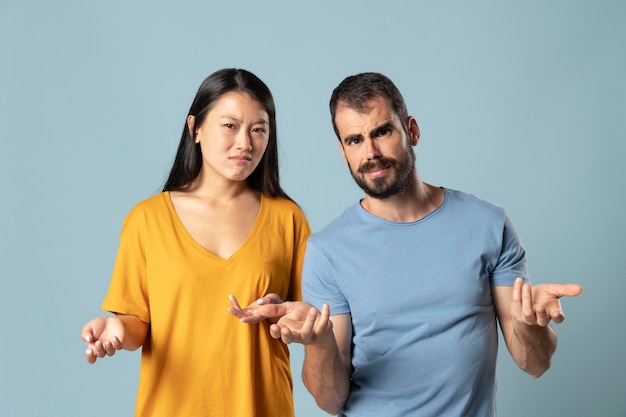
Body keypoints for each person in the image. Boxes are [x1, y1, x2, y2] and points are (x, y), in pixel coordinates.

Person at [234, 72, 583, 416]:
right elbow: (330, 401)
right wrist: (320, 344)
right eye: (354, 140)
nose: (370, 152)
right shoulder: (328, 251)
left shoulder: (488, 224)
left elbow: (534, 364)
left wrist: (530, 323)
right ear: (343, 152)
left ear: (411, 130)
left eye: (382, 132)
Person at [80, 68, 311, 417]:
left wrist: (291, 319)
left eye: (258, 129)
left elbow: (310, 318)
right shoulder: (147, 220)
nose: (245, 143)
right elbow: (136, 324)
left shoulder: (288, 219)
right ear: (195, 128)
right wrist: (115, 327)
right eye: (230, 125)